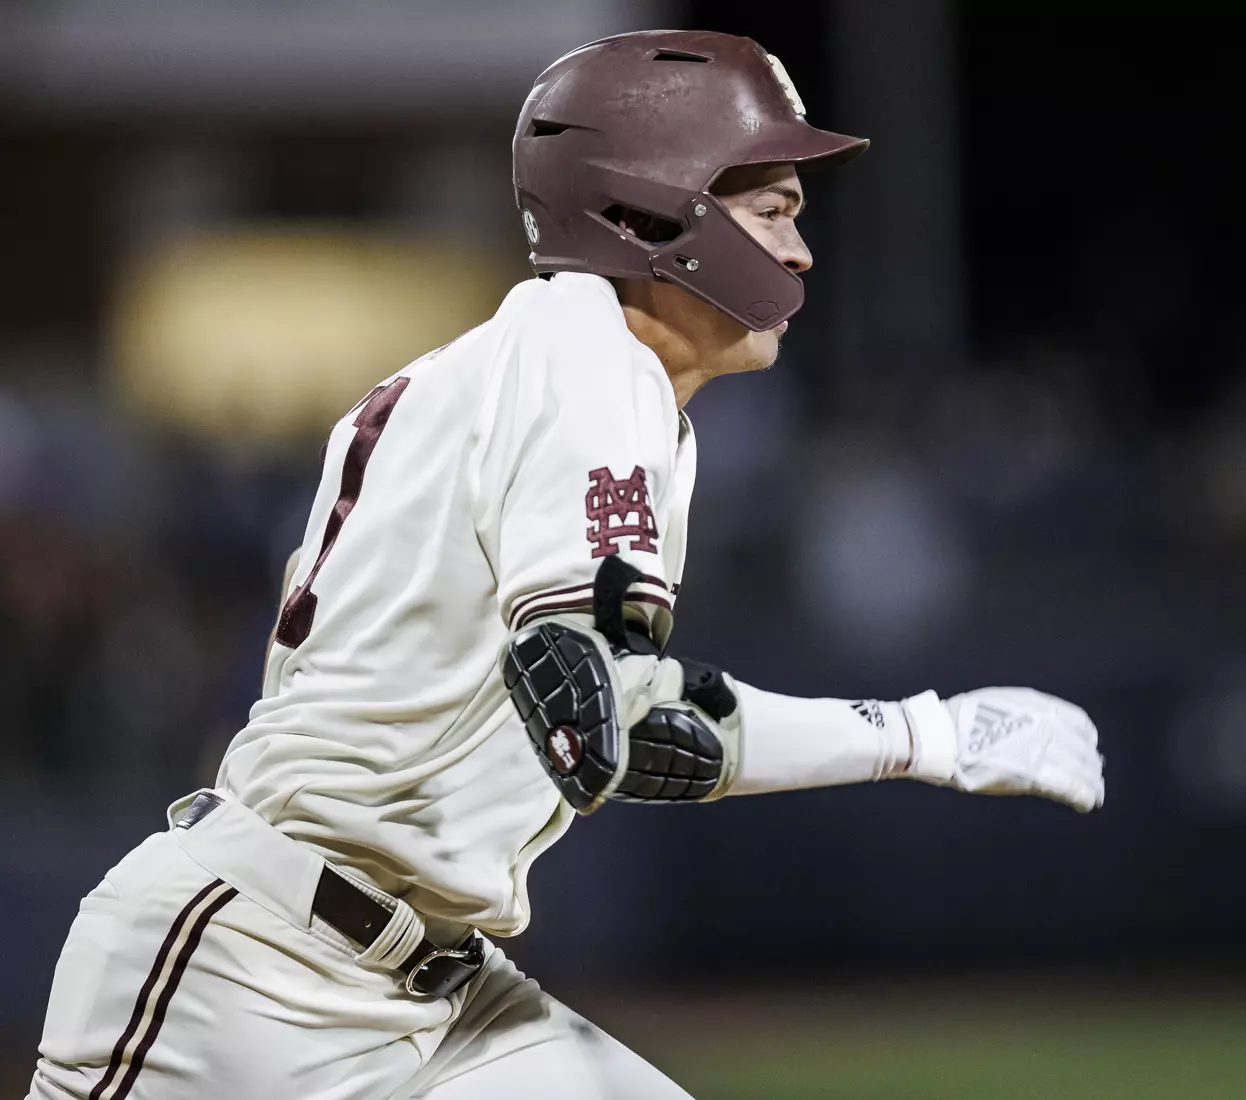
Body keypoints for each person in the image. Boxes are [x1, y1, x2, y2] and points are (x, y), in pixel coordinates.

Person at [28, 29, 1103, 1100]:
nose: (800, 251)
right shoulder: (585, 363)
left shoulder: (563, 366)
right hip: (254, 973)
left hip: (427, 981)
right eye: (772, 211)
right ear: (646, 212)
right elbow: (611, 725)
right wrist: (926, 733)